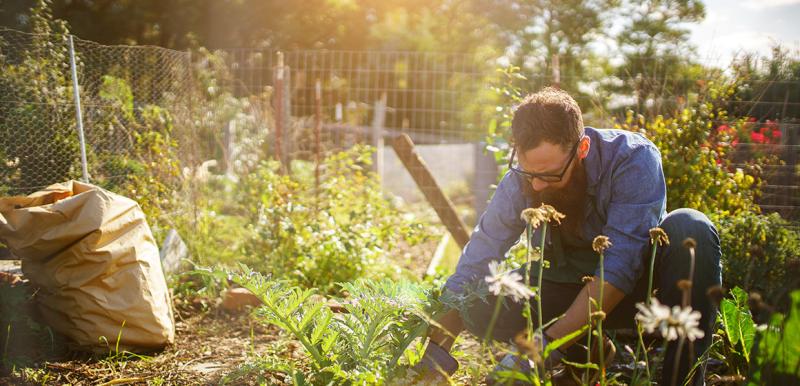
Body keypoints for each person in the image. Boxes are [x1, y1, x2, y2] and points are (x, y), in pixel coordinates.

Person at [413, 87, 721, 385]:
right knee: (478, 304)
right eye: (527, 172)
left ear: (582, 149)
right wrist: (435, 352)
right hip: (565, 287)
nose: (535, 186)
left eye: (549, 175)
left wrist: (541, 348)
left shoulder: (632, 160)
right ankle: (587, 354)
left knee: (690, 227)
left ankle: (682, 377)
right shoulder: (523, 179)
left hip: (637, 294)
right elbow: (479, 257)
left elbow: (621, 267)